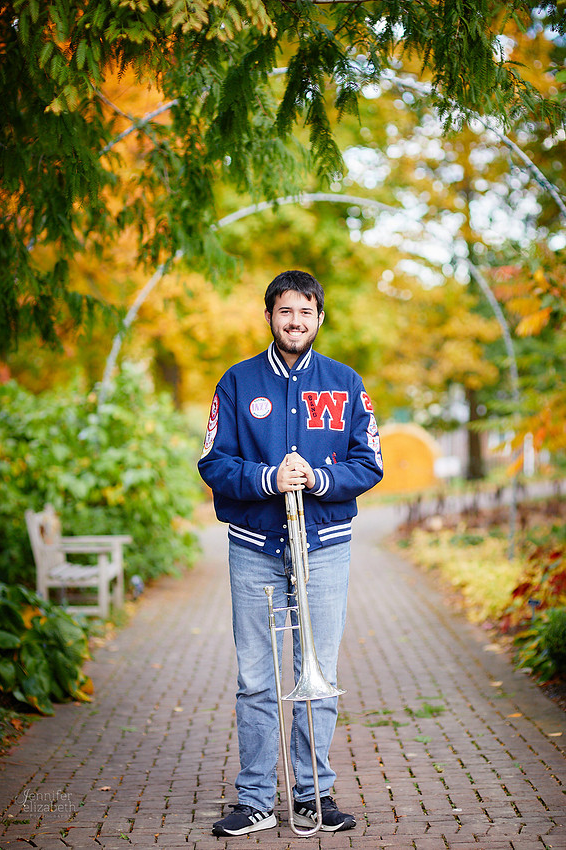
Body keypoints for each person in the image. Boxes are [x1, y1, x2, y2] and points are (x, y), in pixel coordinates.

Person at [198, 269, 384, 836]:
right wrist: (268, 478)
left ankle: (313, 797)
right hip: (255, 547)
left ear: (320, 318)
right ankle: (255, 798)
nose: (295, 321)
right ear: (270, 316)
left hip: (324, 548)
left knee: (317, 676)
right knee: (256, 678)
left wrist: (320, 479)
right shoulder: (235, 381)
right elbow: (213, 461)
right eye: (285, 312)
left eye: (305, 312)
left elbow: (370, 461)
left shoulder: (347, 382)